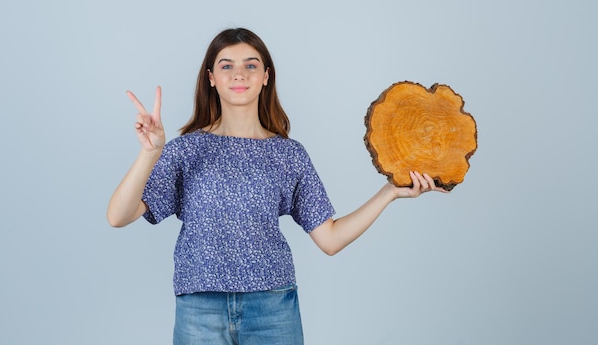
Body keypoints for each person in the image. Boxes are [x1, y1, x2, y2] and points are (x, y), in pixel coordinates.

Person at [107, 27, 447, 345]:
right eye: (226, 66)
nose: (239, 74)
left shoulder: (288, 155)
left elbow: (329, 239)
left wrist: (390, 192)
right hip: (200, 307)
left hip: (273, 308)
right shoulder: (185, 150)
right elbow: (118, 216)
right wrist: (150, 153)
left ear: (266, 76)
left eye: (250, 65)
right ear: (211, 78)